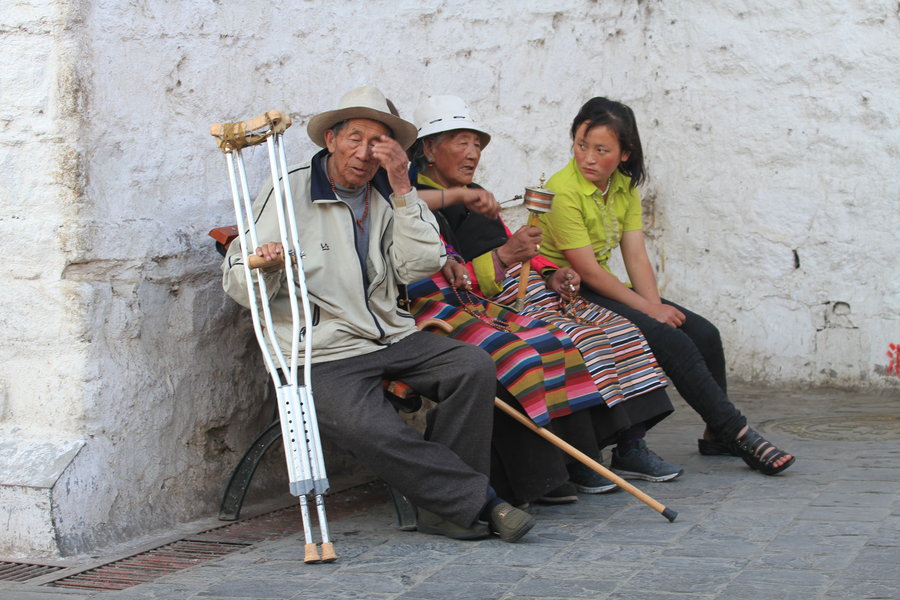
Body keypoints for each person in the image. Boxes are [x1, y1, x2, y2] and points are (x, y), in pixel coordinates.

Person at [221, 85, 534, 542]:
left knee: (471, 366)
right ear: (330, 139)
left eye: (379, 144)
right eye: (356, 139)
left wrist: (405, 188)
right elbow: (235, 279)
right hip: (323, 350)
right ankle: (476, 501)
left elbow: (420, 263)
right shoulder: (288, 189)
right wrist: (266, 265)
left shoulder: (388, 195)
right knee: (369, 425)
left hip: (391, 334)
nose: (366, 154)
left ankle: (445, 506)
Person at [405, 95, 683, 492]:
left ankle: (629, 443)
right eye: (460, 143)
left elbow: (515, 250)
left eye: (476, 145)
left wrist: (551, 273)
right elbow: (442, 284)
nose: (472, 154)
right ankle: (578, 458)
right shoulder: (417, 205)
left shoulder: (477, 192)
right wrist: (503, 257)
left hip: (527, 290)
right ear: (429, 149)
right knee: (570, 340)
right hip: (484, 305)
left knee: (619, 329)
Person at [538, 96, 795, 476]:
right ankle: (737, 431)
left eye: (601, 150)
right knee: (666, 337)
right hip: (566, 291)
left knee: (703, 333)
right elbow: (589, 272)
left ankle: (715, 435)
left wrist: (655, 308)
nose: (587, 158)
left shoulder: (623, 186)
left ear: (625, 154)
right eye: (581, 145)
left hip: (603, 286)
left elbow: (636, 256)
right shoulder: (563, 190)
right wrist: (650, 313)